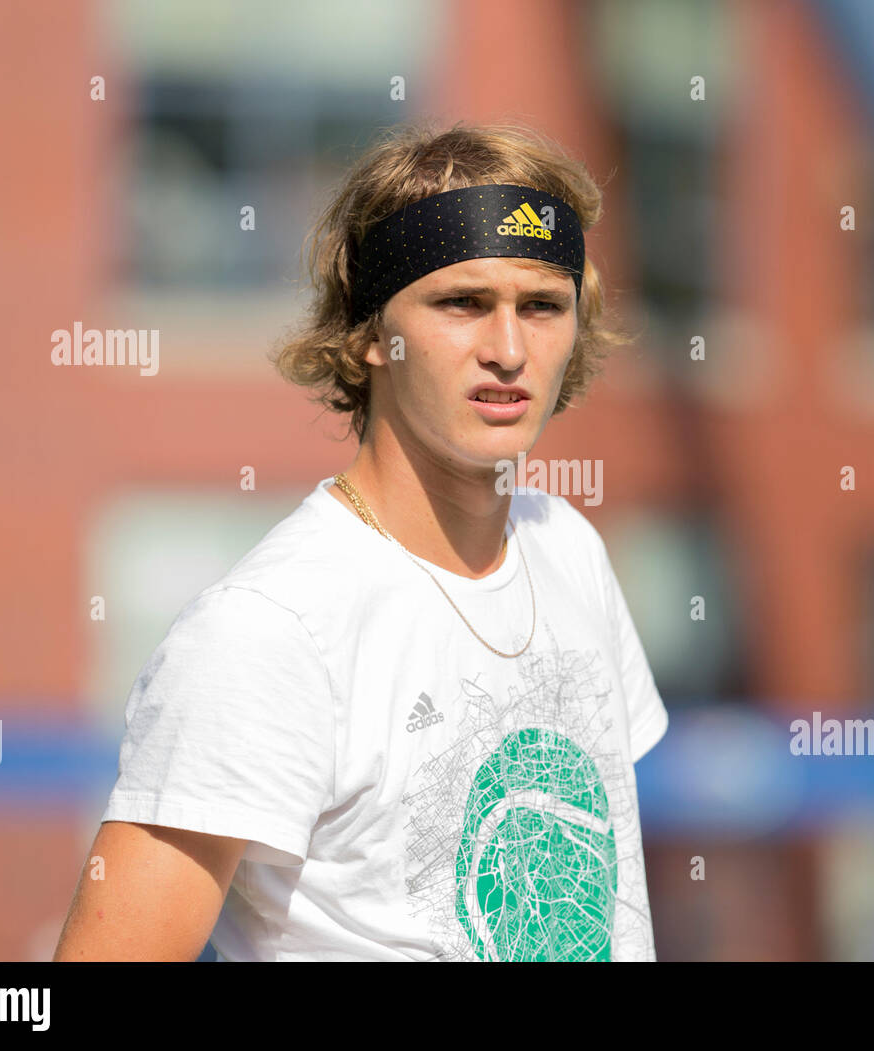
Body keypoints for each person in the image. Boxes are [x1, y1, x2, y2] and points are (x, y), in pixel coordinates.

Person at [53, 120, 669, 962]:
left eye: (542, 305)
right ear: (373, 333)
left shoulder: (568, 549)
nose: (509, 349)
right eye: (462, 303)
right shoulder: (266, 631)